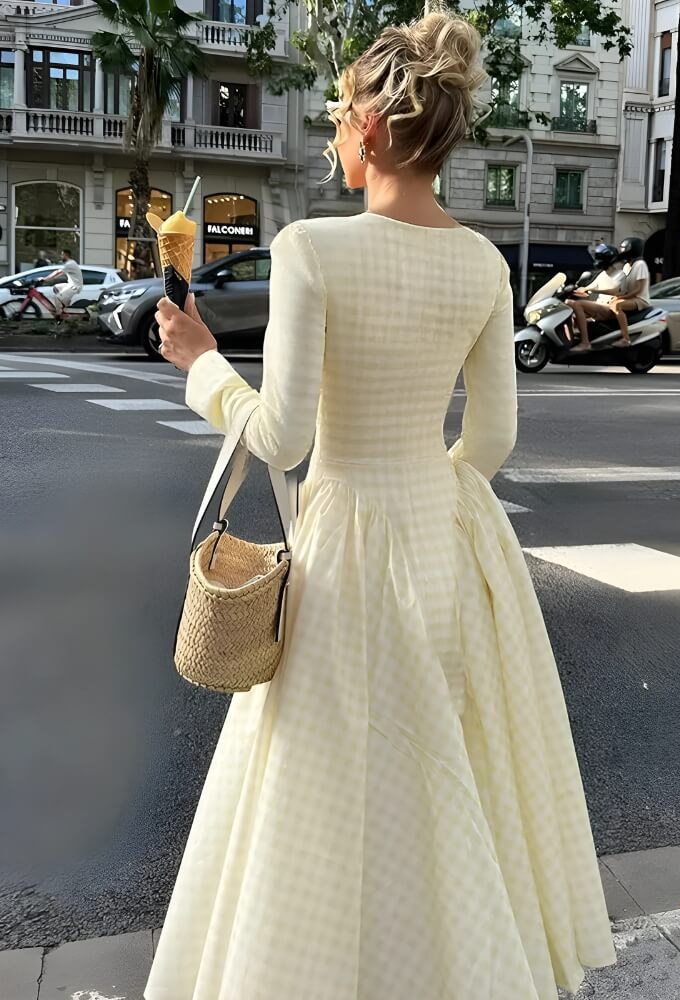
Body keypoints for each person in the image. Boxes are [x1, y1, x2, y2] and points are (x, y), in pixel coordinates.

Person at [145, 11, 616, 999]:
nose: (332, 134)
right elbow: (489, 442)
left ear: (368, 128)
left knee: (322, 781)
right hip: (445, 543)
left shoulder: (314, 247)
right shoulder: (484, 266)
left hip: (346, 544)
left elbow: (285, 441)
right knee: (442, 768)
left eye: (337, 117)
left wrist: (200, 367)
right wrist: (427, 484)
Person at [567, 243, 624, 352]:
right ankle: (570, 342)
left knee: (578, 304)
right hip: (599, 307)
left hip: (609, 308)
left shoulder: (619, 274)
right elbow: (588, 288)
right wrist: (574, 290)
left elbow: (615, 290)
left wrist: (593, 290)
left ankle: (585, 343)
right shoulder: (602, 274)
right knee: (569, 307)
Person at [608, 236, 651, 347]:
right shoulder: (626, 266)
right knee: (609, 304)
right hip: (630, 298)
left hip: (640, 299)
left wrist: (621, 298)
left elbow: (638, 290)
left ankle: (625, 338)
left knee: (617, 305)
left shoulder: (641, 265)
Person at [40, 249, 83, 317]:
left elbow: (58, 272)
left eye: (62, 255)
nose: (61, 256)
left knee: (57, 298)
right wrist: (49, 279)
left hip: (75, 287)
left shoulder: (70, 264)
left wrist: (46, 279)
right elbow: (59, 274)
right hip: (70, 285)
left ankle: (59, 314)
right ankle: (65, 304)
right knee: (56, 287)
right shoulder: (71, 263)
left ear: (66, 255)